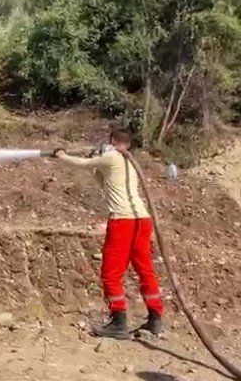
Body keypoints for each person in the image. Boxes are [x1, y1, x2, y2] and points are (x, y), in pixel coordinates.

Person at [52, 129, 164, 339]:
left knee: (111, 273)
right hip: (142, 220)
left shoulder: (111, 156)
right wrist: (96, 162)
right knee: (145, 270)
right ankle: (155, 318)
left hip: (123, 221)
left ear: (113, 141)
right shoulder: (129, 163)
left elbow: (82, 165)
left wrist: (62, 156)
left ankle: (119, 322)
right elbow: (105, 182)